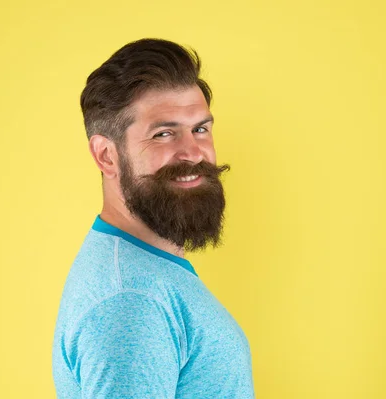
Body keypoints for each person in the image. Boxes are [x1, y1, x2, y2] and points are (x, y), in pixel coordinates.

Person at [52, 38, 255, 398]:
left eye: (200, 129)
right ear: (106, 156)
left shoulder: (144, 271)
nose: (193, 153)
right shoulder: (131, 302)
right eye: (164, 134)